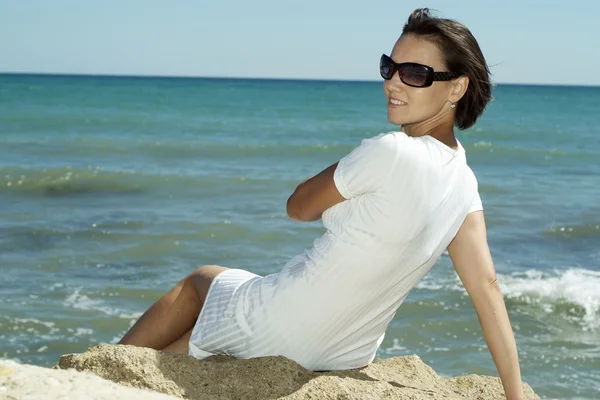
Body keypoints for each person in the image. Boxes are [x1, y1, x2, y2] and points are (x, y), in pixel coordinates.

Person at [118, 8, 527, 400]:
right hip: (345, 352)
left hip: (285, 323)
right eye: (390, 67)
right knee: (198, 336)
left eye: (415, 73)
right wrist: (515, 395)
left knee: (201, 280)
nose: (393, 83)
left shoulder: (391, 150)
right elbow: (486, 288)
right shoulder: (464, 180)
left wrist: (354, 162)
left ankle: (104, 367)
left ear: (457, 87)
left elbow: (297, 207)